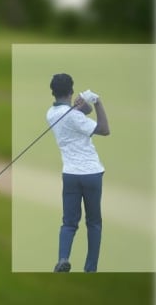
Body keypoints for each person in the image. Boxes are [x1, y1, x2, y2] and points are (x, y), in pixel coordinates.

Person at [47, 73, 109, 273]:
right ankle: (90, 269)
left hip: (70, 175)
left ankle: (62, 259)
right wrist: (97, 101)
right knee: (94, 223)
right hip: (91, 173)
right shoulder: (73, 115)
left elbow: (83, 113)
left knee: (69, 222)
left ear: (53, 92)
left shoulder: (51, 113)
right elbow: (104, 129)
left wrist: (81, 104)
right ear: (71, 90)